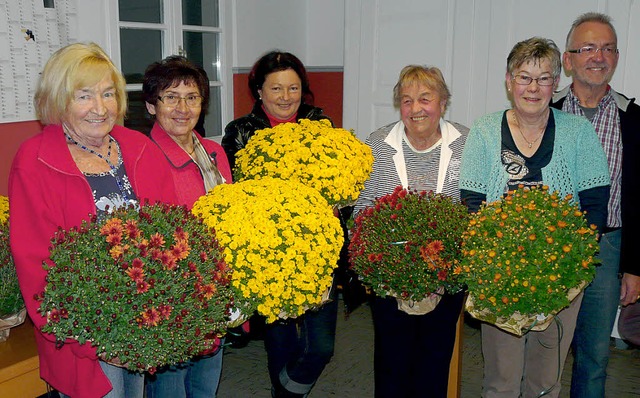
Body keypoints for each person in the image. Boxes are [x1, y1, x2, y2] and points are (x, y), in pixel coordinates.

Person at [8, 42, 177, 398]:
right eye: (83, 96)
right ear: (58, 100)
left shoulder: (139, 147)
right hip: (82, 338)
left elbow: (172, 228)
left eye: (108, 94)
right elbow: (35, 262)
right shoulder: (35, 160)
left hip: (142, 322)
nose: (100, 109)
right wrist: (84, 339)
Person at [459, 37, 610, 398]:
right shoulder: (483, 129)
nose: (533, 87)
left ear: (556, 82)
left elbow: (595, 203)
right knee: (501, 379)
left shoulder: (577, 132)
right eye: (524, 77)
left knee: (545, 381)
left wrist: (568, 262)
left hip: (561, 278)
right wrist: (493, 260)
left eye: (543, 78)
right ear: (509, 81)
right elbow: (472, 201)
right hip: (498, 278)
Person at [222, 50, 338, 398]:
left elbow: (338, 184)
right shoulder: (242, 131)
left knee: (321, 347)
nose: (286, 97)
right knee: (282, 343)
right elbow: (235, 191)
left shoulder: (320, 125)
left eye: (293, 88)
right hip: (270, 254)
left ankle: (286, 392)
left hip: (317, 248)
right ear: (259, 91)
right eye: (276, 89)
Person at [353, 65, 468, 398]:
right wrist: (381, 262)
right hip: (389, 279)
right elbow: (361, 211)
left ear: (443, 103)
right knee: (392, 365)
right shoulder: (377, 143)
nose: (415, 109)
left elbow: (475, 208)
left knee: (433, 366)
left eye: (425, 99)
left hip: (446, 279)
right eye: (406, 100)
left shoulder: (466, 142)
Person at [550, 12, 640, 398]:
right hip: (548, 247)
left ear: (616, 58)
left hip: (608, 247)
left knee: (594, 357)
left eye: (607, 48)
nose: (598, 56)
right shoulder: (543, 112)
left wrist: (634, 267)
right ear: (568, 59)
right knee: (543, 354)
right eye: (587, 48)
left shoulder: (632, 119)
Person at [142, 55, 232, 398]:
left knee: (205, 386)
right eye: (171, 97)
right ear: (152, 106)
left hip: (215, 289)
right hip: (171, 298)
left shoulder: (213, 152)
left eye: (192, 97)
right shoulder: (142, 156)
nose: (183, 107)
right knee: (170, 391)